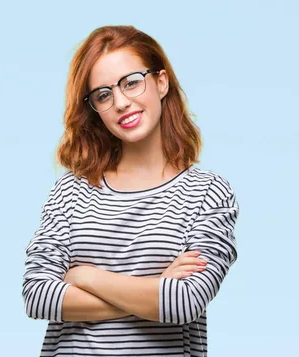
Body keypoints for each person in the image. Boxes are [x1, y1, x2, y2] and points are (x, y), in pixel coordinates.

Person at [22, 25, 239, 357]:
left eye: (131, 82)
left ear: (161, 82)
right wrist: (155, 292)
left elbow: (183, 303)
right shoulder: (71, 192)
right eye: (104, 94)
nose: (121, 102)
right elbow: (38, 296)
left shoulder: (207, 193)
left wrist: (85, 276)